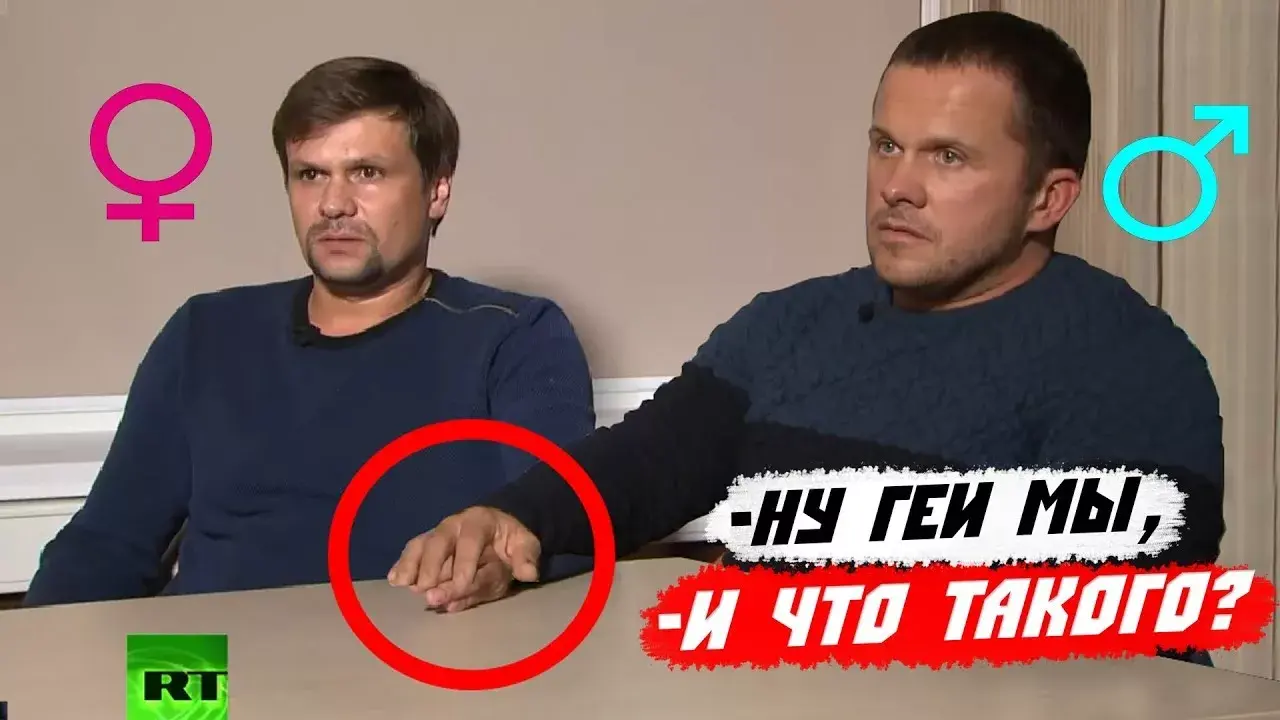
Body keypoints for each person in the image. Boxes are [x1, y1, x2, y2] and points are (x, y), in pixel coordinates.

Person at [389, 12, 1226, 663]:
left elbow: (1090, 639)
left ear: (1048, 198)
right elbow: (645, 464)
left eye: (948, 158)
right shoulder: (790, 325)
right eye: (886, 145)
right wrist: (514, 519)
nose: (898, 187)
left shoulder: (1131, 366)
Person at [23, 57, 596, 608]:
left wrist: (496, 561)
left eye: (367, 173)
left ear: (436, 192)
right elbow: (106, 543)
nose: (332, 204)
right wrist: (36, 658)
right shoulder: (208, 332)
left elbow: (560, 526)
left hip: (401, 650)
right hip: (208, 657)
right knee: (136, 678)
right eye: (311, 175)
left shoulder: (514, 337)